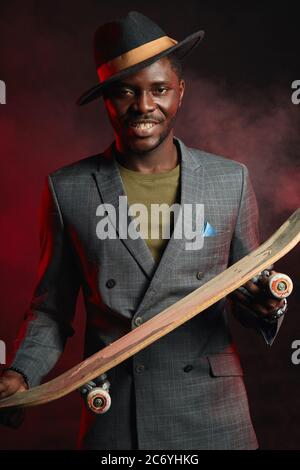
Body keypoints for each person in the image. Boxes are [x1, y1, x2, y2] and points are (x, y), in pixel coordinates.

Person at [0, 11, 287, 450]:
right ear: (105, 100)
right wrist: (20, 374)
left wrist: (268, 305)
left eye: (159, 90)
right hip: (117, 416)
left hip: (214, 416)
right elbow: (50, 311)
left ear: (180, 93)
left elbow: (249, 288)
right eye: (124, 92)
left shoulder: (231, 180)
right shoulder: (67, 190)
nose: (144, 106)